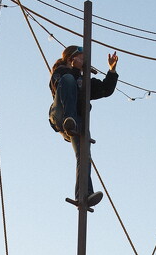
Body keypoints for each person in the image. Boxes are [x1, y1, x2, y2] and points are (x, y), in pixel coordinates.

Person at [48, 44, 118, 207]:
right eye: (82, 57)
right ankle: (69, 119)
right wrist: (76, 71)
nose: (85, 61)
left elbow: (105, 90)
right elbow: (61, 83)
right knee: (69, 80)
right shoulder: (60, 73)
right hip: (60, 114)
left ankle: (84, 194)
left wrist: (111, 70)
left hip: (77, 121)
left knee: (84, 154)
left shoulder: (82, 80)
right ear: (72, 58)